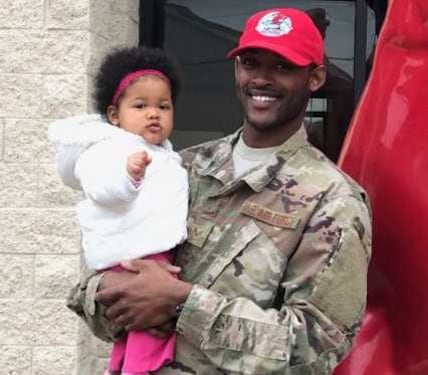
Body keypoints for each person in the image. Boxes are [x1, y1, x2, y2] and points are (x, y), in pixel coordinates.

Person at [67, 8, 372, 375]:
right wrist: (112, 292)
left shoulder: (331, 200)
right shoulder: (182, 167)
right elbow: (95, 286)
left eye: (282, 67)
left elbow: (315, 348)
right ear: (236, 69)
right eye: (251, 63)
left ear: (315, 77)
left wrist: (181, 305)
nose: (261, 79)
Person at [49, 47, 188, 375]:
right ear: (114, 115)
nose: (153, 114)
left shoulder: (162, 152)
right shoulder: (110, 148)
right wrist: (128, 176)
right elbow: (100, 186)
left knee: (131, 328)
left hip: (144, 249)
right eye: (140, 106)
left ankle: (121, 366)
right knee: (152, 326)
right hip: (137, 253)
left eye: (163, 106)